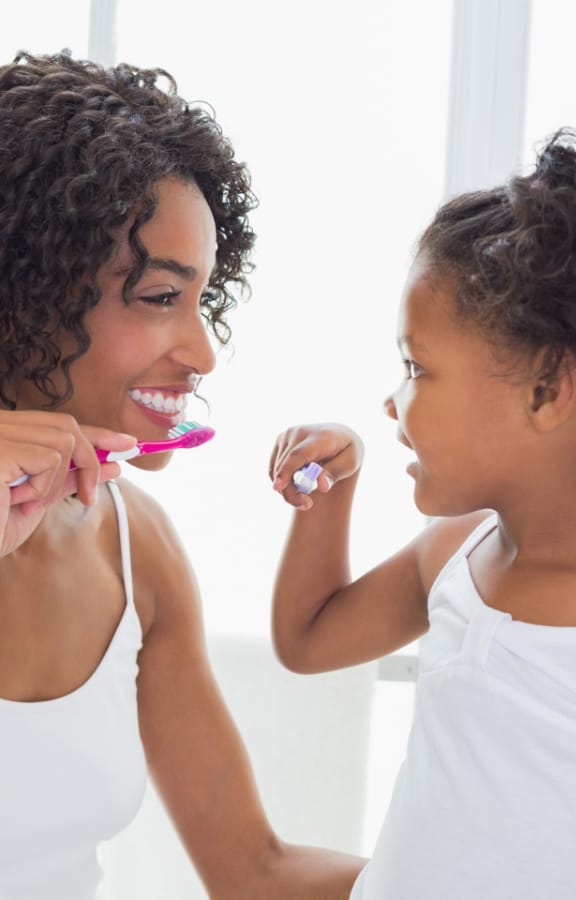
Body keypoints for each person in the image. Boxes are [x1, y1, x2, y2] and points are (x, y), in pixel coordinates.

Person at [0, 50, 365, 900]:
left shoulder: (138, 548)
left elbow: (255, 872)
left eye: (204, 300)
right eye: (161, 297)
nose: (202, 352)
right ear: (22, 293)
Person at [269, 127, 576, 900]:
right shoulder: (458, 550)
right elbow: (308, 640)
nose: (391, 401)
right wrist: (327, 497)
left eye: (416, 368)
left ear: (546, 391)